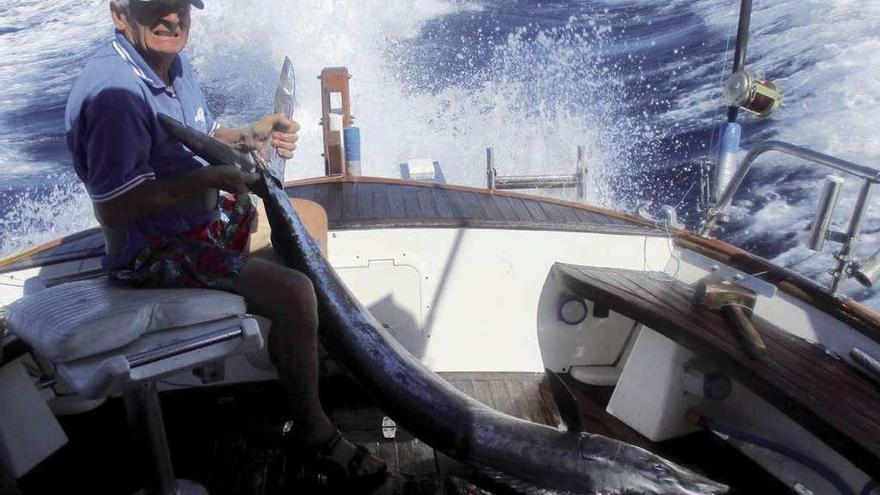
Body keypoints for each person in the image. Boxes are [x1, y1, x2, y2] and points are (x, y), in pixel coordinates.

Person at [64, 0, 387, 488]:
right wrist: (203, 181)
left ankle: (291, 357)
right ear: (119, 14)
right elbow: (114, 206)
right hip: (154, 250)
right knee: (297, 293)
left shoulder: (169, 62)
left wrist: (253, 134)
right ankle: (312, 430)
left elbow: (207, 133)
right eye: (156, 6)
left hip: (200, 221)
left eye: (181, 6)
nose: (173, 17)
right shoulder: (116, 97)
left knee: (309, 220)